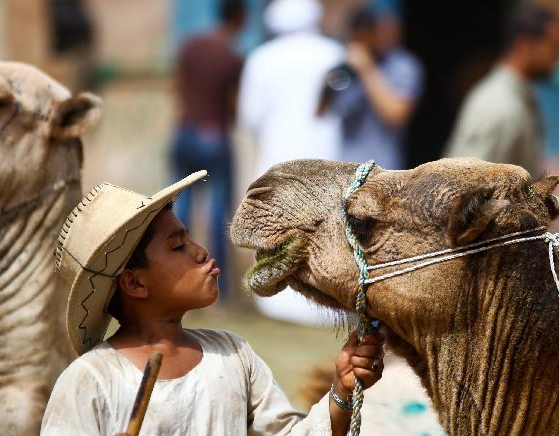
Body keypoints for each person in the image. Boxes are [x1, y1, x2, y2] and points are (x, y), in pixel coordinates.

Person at [21, 172, 385, 436]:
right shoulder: (91, 380)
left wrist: (341, 389)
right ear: (135, 283)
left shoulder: (232, 358)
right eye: (177, 246)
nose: (200, 252)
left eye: (189, 239)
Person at [237, 0, 344, 325]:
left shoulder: (260, 58)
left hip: (278, 155)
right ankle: (325, 299)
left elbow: (249, 116)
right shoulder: (334, 53)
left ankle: (279, 299)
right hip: (327, 156)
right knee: (326, 229)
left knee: (280, 231)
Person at [170, 0, 246, 297]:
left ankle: (176, 278)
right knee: (218, 213)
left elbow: (177, 88)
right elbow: (234, 103)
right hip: (214, 135)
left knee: (180, 211)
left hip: (184, 131)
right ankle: (220, 289)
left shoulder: (190, 46)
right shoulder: (232, 57)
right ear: (239, 19)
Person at [445, 6, 559, 179]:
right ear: (523, 45)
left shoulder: (520, 99)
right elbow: (464, 186)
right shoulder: (499, 105)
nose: (558, 58)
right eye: (553, 47)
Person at [321, 7, 423, 169]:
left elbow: (396, 115)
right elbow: (320, 112)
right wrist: (327, 83)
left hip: (384, 170)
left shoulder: (402, 66)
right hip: (344, 168)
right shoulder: (343, 67)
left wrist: (367, 68)